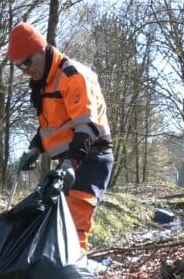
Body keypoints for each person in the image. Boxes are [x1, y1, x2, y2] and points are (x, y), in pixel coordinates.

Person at [8, 22, 113, 252]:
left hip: (92, 158)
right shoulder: (43, 84)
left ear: (39, 50)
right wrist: (34, 149)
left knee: (76, 224)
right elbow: (51, 127)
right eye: (18, 67)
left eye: (26, 62)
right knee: (56, 226)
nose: (25, 70)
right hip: (69, 163)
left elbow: (86, 126)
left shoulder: (72, 76)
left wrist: (70, 163)